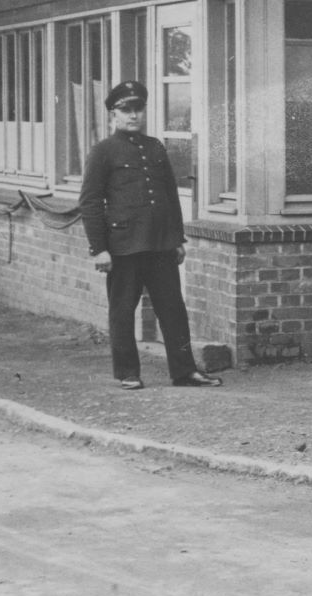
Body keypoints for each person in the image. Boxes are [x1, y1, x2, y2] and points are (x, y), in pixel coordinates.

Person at [78, 80, 221, 390]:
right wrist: (98, 249)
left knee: (173, 310)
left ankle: (185, 372)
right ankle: (127, 372)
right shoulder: (103, 152)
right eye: (126, 110)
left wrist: (178, 238)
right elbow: (90, 202)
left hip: (160, 245)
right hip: (123, 247)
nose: (133, 116)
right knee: (122, 311)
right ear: (112, 114)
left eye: (138, 109)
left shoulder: (155, 147)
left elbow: (169, 194)